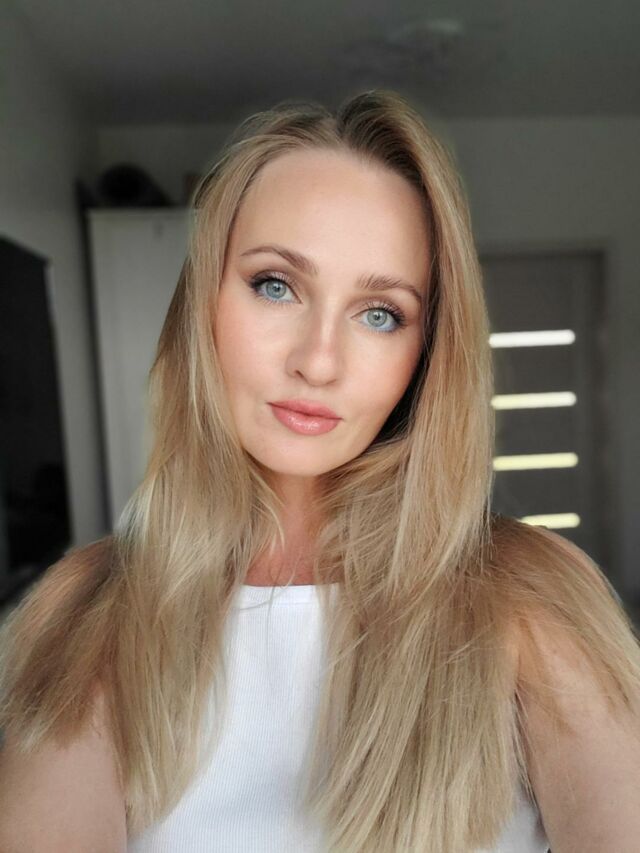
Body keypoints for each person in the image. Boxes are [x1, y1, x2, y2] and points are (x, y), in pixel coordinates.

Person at [0, 89, 639, 853]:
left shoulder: (529, 591)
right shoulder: (90, 603)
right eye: (275, 284)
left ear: (426, 355)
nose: (318, 360)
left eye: (381, 313)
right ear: (203, 304)